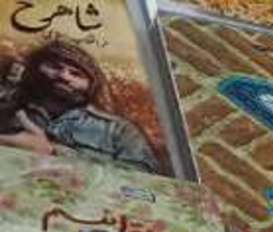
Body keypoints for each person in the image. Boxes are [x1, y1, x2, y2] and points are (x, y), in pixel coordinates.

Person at [0, 40, 160, 172]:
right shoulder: (7, 110)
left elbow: (146, 182)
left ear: (91, 85)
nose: (63, 76)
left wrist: (54, 153)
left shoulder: (118, 131)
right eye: (55, 67)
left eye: (76, 73)